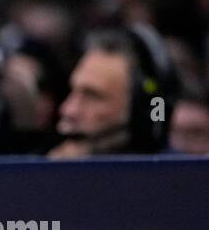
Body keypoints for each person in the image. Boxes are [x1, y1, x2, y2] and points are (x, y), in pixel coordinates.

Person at [49, 24, 176, 158]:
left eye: (93, 96)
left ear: (146, 110)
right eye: (72, 91)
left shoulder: (181, 176)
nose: (68, 110)